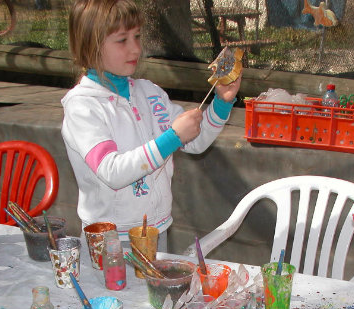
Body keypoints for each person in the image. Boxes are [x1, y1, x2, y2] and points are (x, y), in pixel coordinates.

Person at [61, 0, 242, 251]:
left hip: (156, 229)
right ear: (90, 45)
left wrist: (222, 103)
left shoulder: (150, 92)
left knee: (155, 291)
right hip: (110, 238)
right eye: (122, 40)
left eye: (137, 36)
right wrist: (172, 137)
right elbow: (112, 172)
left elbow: (196, 141)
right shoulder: (83, 107)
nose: (135, 48)